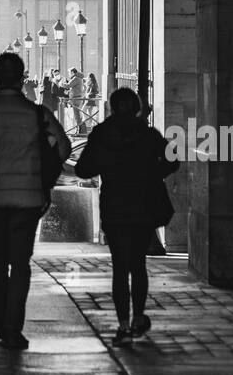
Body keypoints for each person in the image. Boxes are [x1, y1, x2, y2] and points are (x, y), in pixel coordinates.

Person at [0, 51, 71, 350]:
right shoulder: (37, 113)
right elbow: (64, 148)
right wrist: (42, 174)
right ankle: (13, 325)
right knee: (20, 263)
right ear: (22, 80)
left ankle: (0, 311)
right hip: (28, 197)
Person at [73, 87, 178, 346]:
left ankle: (122, 324)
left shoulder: (102, 133)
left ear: (111, 106)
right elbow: (172, 161)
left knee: (120, 267)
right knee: (138, 264)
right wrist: (153, 172)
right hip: (143, 204)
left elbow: (83, 169)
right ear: (137, 107)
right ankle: (138, 317)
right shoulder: (147, 134)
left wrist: (106, 165)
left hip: (115, 206)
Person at [66, 68, 85, 134]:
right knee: (77, 115)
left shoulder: (76, 78)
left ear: (72, 72)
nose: (69, 75)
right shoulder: (78, 78)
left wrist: (60, 83)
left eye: (69, 73)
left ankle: (80, 130)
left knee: (77, 115)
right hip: (78, 98)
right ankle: (79, 130)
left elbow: (68, 85)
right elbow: (74, 88)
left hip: (76, 98)